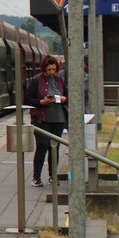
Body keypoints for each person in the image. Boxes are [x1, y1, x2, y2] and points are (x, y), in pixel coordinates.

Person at [24, 55, 67, 187]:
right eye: (49, 69)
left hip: (58, 119)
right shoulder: (36, 81)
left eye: (54, 69)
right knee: (42, 146)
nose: (51, 72)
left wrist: (63, 98)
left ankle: (53, 176)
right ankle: (36, 177)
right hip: (41, 119)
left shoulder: (60, 80)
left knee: (54, 147)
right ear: (44, 69)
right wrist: (42, 102)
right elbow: (28, 100)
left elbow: (67, 95)